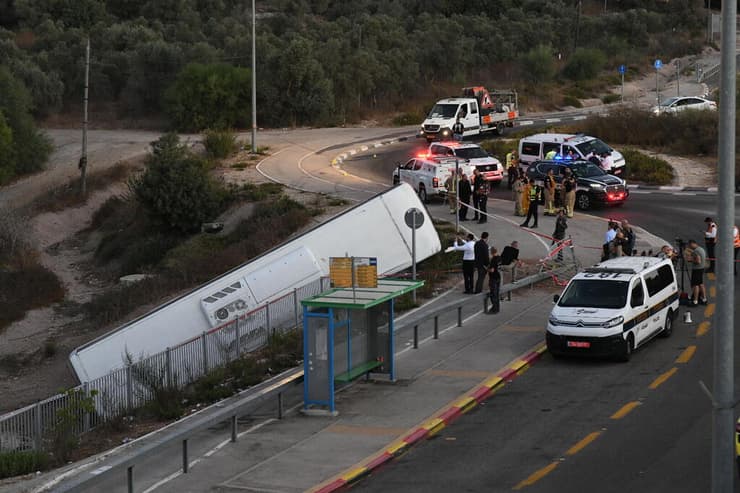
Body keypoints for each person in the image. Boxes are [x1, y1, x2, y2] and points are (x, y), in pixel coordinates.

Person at [685, 239, 707, 305]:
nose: (689, 246)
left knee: (695, 285)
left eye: (689, 245)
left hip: (697, 269)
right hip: (701, 268)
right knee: (701, 284)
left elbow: (698, 261)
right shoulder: (701, 249)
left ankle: (695, 300)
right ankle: (704, 298)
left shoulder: (696, 251)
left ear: (692, 244)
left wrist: (690, 260)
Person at [487, 246, 502, 314]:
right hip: (498, 277)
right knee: (497, 293)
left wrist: (487, 269)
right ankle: (497, 308)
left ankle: (494, 309)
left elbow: (492, 270)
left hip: (493, 278)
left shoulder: (493, 259)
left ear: (491, 252)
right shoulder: (499, 258)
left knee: (493, 294)